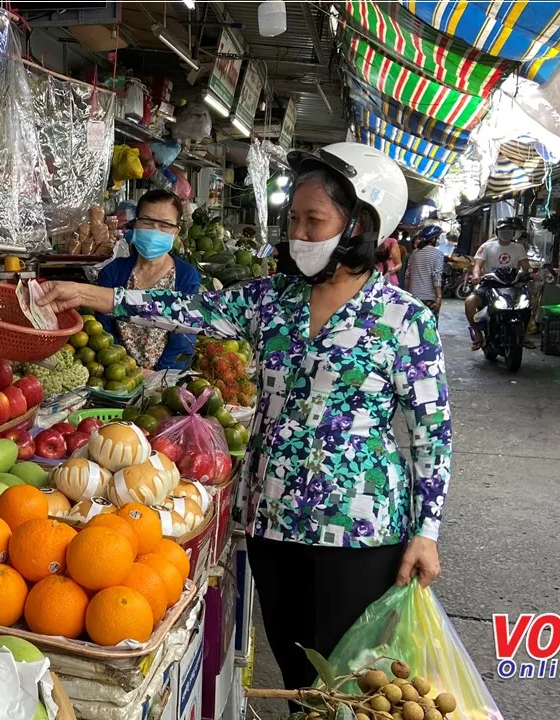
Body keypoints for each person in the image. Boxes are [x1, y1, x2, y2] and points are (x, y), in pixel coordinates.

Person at [37, 142, 451, 697]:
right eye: (294, 221)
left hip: (358, 527)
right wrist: (86, 292)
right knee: (297, 670)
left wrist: (427, 531)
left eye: (314, 221)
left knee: (351, 678)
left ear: (359, 225)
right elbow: (185, 311)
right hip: (272, 519)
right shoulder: (271, 301)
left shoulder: (404, 319)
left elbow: (432, 433)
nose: (299, 235)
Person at [95, 189, 200, 370]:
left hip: (167, 382)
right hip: (118, 377)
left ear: (176, 232)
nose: (155, 230)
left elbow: (184, 338)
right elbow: (104, 332)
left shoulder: (186, 276)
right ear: (135, 224)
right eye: (147, 222)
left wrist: (158, 377)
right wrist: (127, 370)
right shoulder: (112, 272)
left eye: (165, 225)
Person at [465, 217, 531, 350]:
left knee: (528, 304)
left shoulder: (519, 248)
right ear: (497, 231)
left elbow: (525, 266)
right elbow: (478, 265)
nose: (506, 232)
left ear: (514, 232)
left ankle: (523, 335)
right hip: (490, 284)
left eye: (509, 229)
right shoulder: (487, 247)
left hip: (512, 285)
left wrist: (529, 274)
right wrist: (476, 276)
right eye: (503, 229)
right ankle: (477, 333)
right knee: (470, 302)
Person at [404, 226, 446, 315]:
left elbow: (408, 276)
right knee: (429, 327)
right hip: (429, 298)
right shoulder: (438, 253)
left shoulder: (414, 253)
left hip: (413, 297)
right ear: (433, 239)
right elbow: (436, 276)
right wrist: (439, 297)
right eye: (438, 238)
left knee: (414, 327)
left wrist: (407, 294)